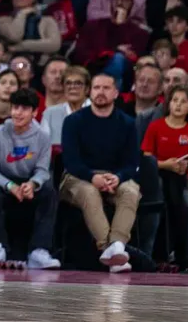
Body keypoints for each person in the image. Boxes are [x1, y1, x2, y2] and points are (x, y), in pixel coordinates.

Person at [59, 74, 142, 273]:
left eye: (106, 88)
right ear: (90, 91)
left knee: (131, 192)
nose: (100, 92)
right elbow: (71, 162)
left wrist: (119, 177)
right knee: (89, 192)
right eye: (96, 88)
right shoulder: (73, 121)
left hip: (114, 177)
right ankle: (109, 250)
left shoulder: (128, 123)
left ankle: (117, 246)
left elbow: (132, 163)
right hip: (78, 177)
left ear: (116, 93)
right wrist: (92, 177)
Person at [0, 87, 60, 268]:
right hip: (4, 183)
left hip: (28, 183)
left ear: (35, 112)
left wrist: (33, 184)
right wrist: (10, 186)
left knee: (49, 191)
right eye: (15, 108)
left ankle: (39, 250)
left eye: (24, 109)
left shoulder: (43, 137)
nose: (18, 113)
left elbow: (43, 170)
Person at [141, 84, 188, 267]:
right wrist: (167, 164)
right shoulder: (155, 126)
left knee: (186, 202)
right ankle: (166, 254)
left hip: (185, 178)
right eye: (175, 100)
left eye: (183, 101)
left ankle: (186, 254)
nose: (178, 105)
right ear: (168, 104)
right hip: (158, 176)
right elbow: (147, 160)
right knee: (169, 195)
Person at [41, 65, 91, 145]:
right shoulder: (50, 113)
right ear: (63, 87)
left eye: (78, 83)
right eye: (68, 83)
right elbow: (42, 145)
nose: (72, 87)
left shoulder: (97, 111)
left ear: (87, 89)